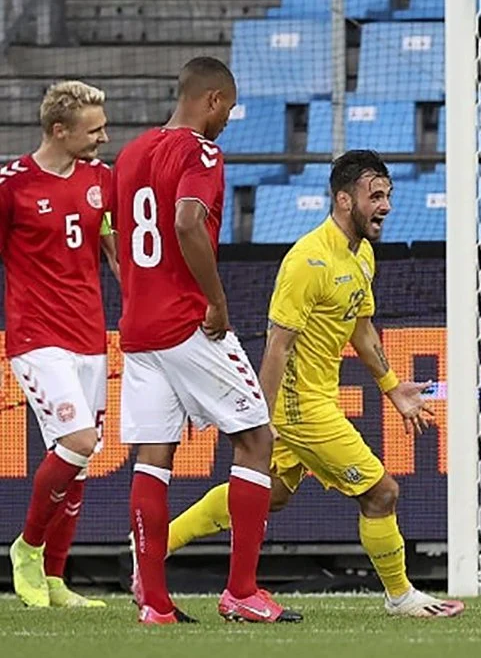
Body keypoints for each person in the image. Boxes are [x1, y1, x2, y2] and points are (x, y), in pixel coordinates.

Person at [166, 150, 464, 618]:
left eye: (388, 195)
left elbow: (361, 329)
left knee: (270, 494)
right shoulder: (308, 260)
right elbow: (277, 345)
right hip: (300, 406)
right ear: (344, 200)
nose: (385, 206)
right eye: (375, 196)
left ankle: (152, 547)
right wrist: (261, 418)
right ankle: (401, 596)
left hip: (316, 397)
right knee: (382, 492)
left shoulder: (362, 255)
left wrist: (391, 387)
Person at [115, 56, 299, 624]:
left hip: (138, 328)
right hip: (187, 322)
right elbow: (187, 220)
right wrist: (216, 302)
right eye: (228, 110)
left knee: (153, 458)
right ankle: (241, 590)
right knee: (257, 440)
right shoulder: (200, 152)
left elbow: (119, 238)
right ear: (212, 99)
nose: (226, 122)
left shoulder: (129, 154)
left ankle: (155, 603)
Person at [3, 80, 118, 608]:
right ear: (58, 130)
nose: (103, 138)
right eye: (93, 131)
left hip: (90, 336)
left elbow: (116, 254)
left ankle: (54, 577)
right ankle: (27, 548)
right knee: (77, 438)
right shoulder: (12, 186)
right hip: (37, 337)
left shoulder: (102, 180)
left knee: (81, 462)